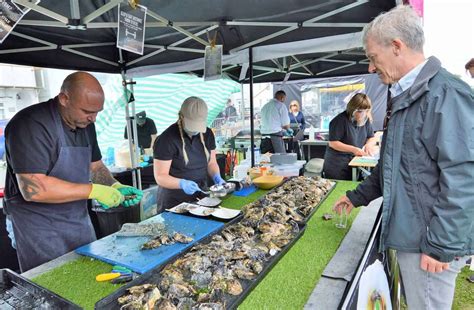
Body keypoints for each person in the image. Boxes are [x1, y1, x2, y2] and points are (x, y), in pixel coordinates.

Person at [333, 6, 473, 309]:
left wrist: (440, 245)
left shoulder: (445, 94)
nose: (371, 67)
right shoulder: (405, 95)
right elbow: (392, 166)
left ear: (397, 46)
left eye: (372, 57)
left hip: (428, 245)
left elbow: (465, 177)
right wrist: (357, 196)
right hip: (411, 237)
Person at [3, 72, 143, 272]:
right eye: (87, 111)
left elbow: (96, 166)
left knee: (89, 271)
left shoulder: (86, 124)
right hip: (37, 225)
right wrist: (93, 191)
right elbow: (32, 189)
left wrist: (113, 185)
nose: (93, 118)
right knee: (52, 283)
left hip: (76, 219)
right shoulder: (31, 123)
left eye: (97, 112)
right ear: (64, 99)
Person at [153, 97, 225, 211]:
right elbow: (160, 176)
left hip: (200, 195)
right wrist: (181, 183)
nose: (195, 130)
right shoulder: (167, 139)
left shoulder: (208, 134)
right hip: (174, 201)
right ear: (181, 117)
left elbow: (211, 163)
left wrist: (217, 176)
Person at [322, 93, 377, 180]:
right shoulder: (339, 121)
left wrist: (369, 145)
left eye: (366, 111)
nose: (363, 114)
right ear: (352, 109)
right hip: (337, 164)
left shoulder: (365, 120)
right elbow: (333, 143)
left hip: (354, 160)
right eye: (360, 111)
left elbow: (372, 137)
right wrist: (354, 149)